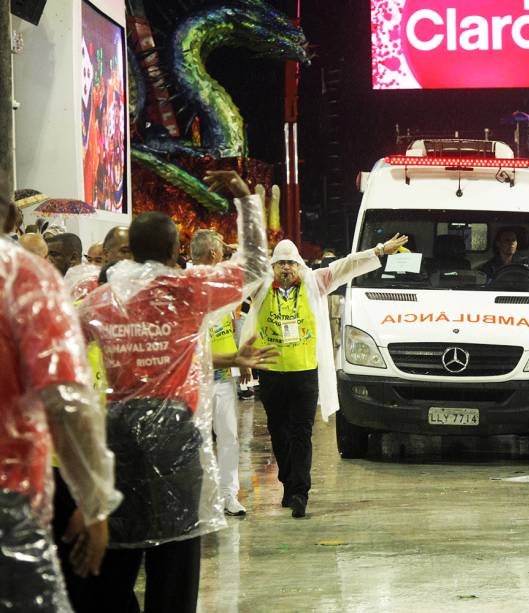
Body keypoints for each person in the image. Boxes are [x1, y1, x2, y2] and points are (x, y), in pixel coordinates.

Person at [78, 170, 270, 612]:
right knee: (177, 549)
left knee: (119, 545)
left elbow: (62, 347)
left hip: (117, 428)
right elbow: (255, 266)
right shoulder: (188, 289)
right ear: (174, 251)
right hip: (174, 430)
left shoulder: (102, 300)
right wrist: (245, 199)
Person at [1, 193, 121, 612]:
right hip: (13, 493)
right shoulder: (25, 279)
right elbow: (66, 400)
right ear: (12, 215)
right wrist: (94, 500)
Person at [243, 233, 408, 518]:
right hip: (271, 374)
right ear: (272, 266)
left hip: (305, 374)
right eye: (280, 263)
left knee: (301, 433)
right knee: (278, 432)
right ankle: (288, 480)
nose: (285, 269)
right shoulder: (260, 286)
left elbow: (346, 265)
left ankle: (299, 493)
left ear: (299, 265)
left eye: (290, 263)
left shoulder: (314, 282)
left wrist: (380, 250)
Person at [190, 229, 247, 517]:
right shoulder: (186, 285)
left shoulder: (225, 284)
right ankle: (203, 497)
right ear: (213, 254)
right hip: (195, 379)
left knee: (228, 436)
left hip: (224, 376)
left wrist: (240, 359)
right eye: (221, 250)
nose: (225, 253)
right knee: (198, 439)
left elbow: (235, 323)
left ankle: (228, 495)